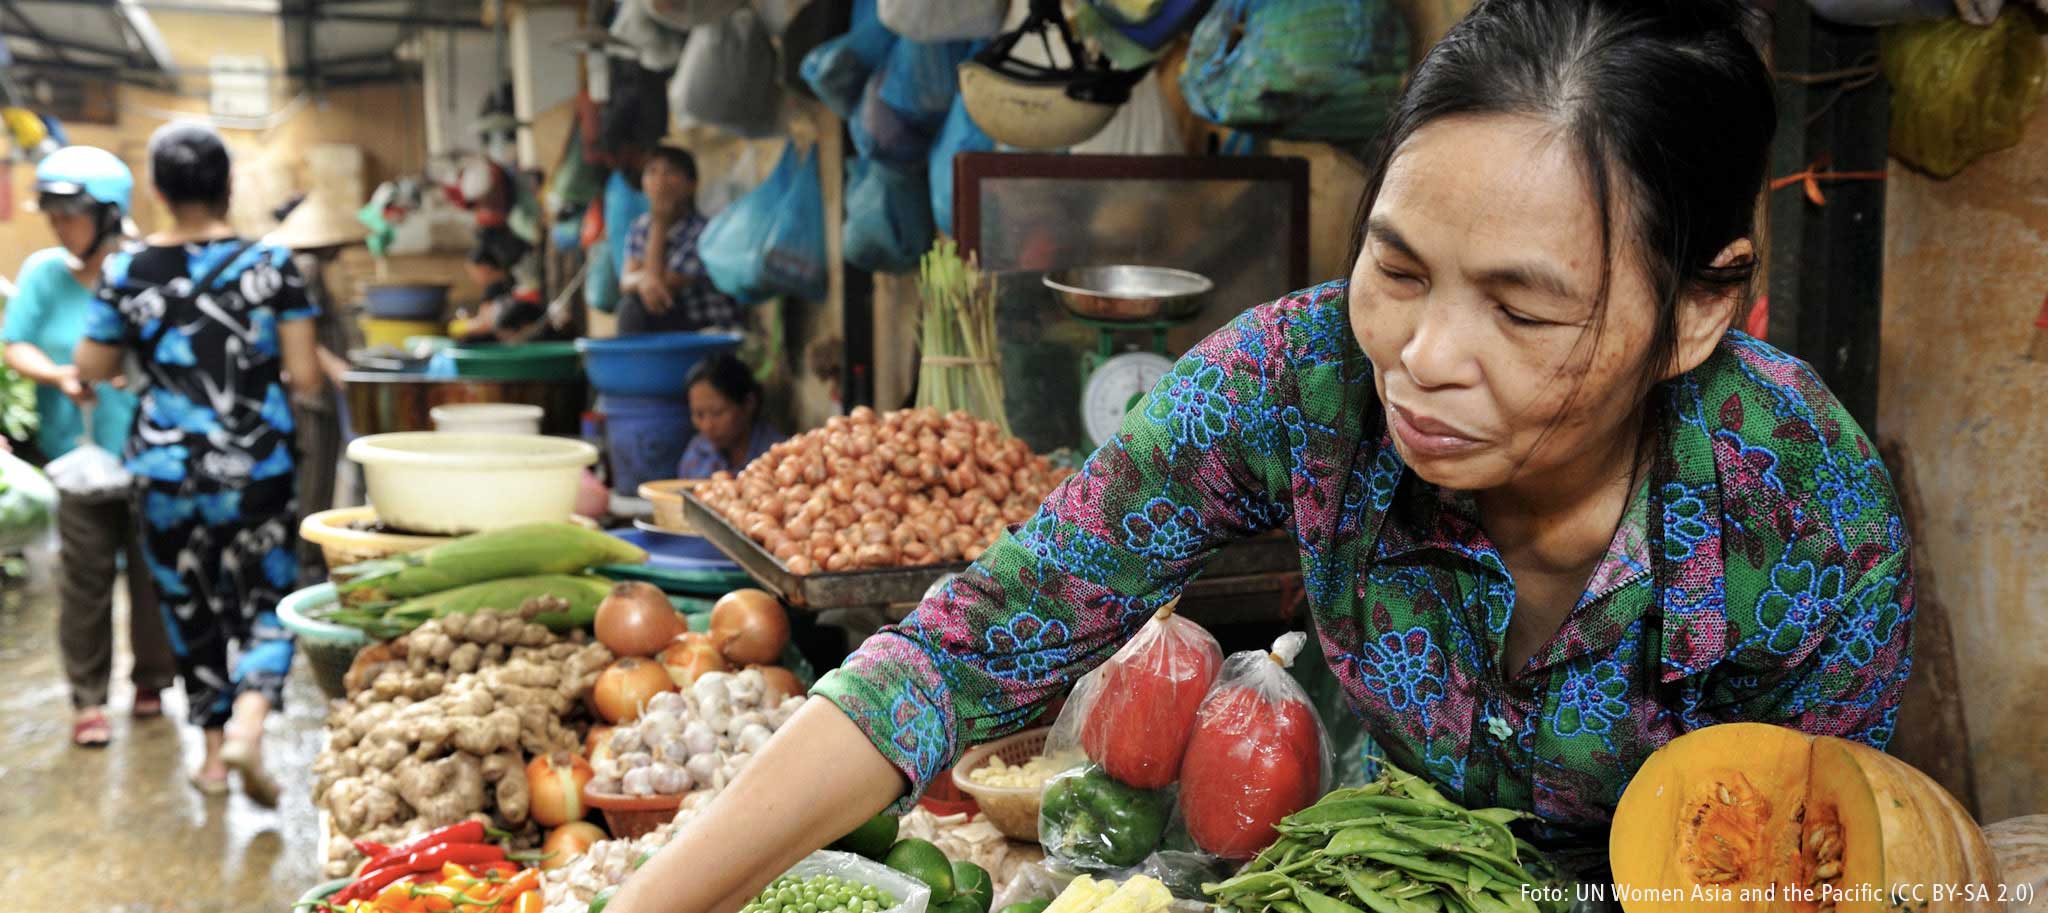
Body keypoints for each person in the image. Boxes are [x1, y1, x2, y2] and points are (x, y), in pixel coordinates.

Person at [608, 1, 1916, 909]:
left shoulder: (1805, 513)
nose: (1423, 356)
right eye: (1395, 266)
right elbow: (973, 639)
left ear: (1698, 307)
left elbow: (1824, 851)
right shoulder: (1296, 377)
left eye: (1522, 308)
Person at [74, 122, 323, 805]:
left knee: (190, 603)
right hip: (257, 470)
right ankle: (249, 724)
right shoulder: (273, 266)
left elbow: (90, 365)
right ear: (229, 185)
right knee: (267, 601)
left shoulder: (125, 271)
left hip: (166, 473)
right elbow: (304, 377)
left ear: (156, 189)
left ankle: (212, 757)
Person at [1, 145, 177, 748]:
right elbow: (16, 343)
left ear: (107, 213)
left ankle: (153, 682)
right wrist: (57, 376)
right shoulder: (46, 273)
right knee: (85, 578)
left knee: (153, 577)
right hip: (74, 459)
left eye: (68, 214)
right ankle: (88, 700)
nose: (57, 226)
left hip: (149, 454)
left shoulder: (144, 269)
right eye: (51, 214)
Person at [618, 146, 741, 335]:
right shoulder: (640, 227)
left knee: (637, 303)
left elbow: (661, 289)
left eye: (670, 172)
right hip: (666, 318)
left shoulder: (703, 232)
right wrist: (643, 280)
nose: (660, 180)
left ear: (692, 185)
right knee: (630, 304)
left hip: (702, 325)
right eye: (651, 172)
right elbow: (626, 280)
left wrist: (660, 225)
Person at [675, 353, 784, 479]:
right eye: (699, 415)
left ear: (749, 403)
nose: (707, 426)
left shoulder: (779, 456)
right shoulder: (698, 452)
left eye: (717, 413)